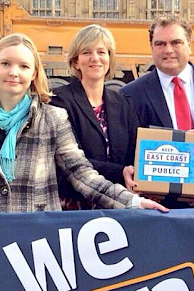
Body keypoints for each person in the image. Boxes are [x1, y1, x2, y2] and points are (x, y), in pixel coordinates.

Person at [0, 33, 168, 229]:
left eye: (23, 66)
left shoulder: (52, 119)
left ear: (34, 73)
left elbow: (82, 174)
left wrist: (133, 202)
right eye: (6, 64)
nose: (14, 72)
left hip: (42, 239)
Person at [119, 14, 194, 291]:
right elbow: (129, 152)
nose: (168, 50)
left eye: (175, 42)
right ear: (151, 48)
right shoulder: (131, 93)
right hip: (161, 212)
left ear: (190, 44)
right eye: (160, 43)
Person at [50, 25, 139, 209]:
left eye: (101, 52)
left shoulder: (122, 103)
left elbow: (135, 152)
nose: (95, 58)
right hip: (75, 206)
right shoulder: (59, 101)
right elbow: (70, 161)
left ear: (109, 58)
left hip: (119, 204)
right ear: (76, 61)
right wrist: (120, 172)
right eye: (87, 52)